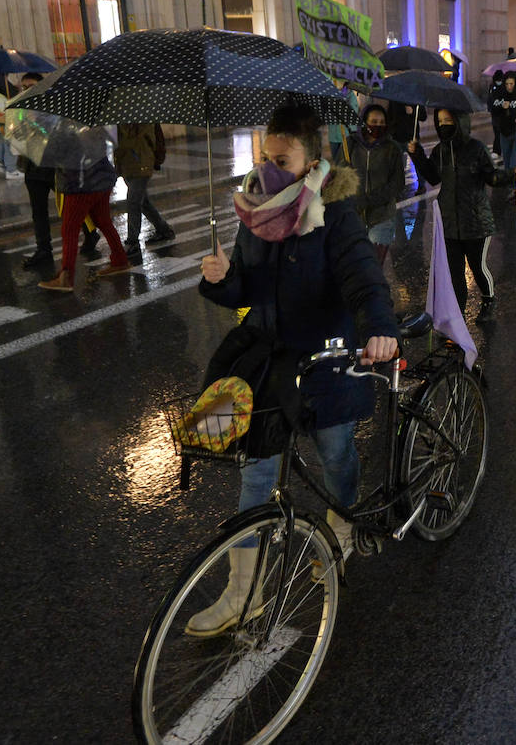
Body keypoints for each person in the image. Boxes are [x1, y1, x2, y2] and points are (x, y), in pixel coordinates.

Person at [189, 104, 398, 636]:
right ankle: (243, 593)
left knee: (335, 456)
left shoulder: (337, 215)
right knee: (255, 474)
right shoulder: (255, 212)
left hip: (326, 363)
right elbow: (246, 289)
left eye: (282, 158)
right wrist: (220, 279)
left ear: (311, 162)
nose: (269, 168)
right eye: (265, 156)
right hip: (268, 363)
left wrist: (379, 327)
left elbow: (363, 281)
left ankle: (340, 526)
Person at [406, 108, 513, 318]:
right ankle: (458, 317)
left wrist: (513, 174)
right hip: (449, 222)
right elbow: (434, 178)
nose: (444, 124)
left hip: (476, 222)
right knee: (455, 274)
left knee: (477, 267)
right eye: (440, 121)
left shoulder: (477, 148)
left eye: (449, 120)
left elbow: (492, 178)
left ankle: (489, 299)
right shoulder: (439, 151)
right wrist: (417, 155)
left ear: (459, 121)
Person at [38, 127, 131, 291]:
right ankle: (120, 260)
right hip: (102, 181)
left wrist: (46, 138)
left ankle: (65, 277)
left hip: (80, 184)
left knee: (69, 229)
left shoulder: (65, 129)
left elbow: (52, 156)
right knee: (103, 221)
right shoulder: (95, 125)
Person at [342, 103, 406, 267]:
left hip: (382, 217)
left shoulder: (392, 149)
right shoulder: (351, 144)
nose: (377, 125)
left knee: (373, 267)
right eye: (373, 121)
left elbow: (397, 184)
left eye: (381, 122)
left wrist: (369, 199)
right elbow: (339, 176)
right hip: (355, 217)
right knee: (357, 266)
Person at [13, 71, 58, 270]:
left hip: (52, 166)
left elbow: (56, 134)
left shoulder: (52, 107)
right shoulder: (21, 109)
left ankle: (90, 233)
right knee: (38, 212)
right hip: (32, 167)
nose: (26, 90)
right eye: (23, 87)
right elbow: (18, 137)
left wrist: (35, 121)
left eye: (30, 86)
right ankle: (43, 249)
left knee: (71, 206)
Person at [115, 123, 177, 258]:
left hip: (142, 164)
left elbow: (141, 141)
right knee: (143, 202)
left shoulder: (143, 118)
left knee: (133, 202)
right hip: (127, 165)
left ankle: (133, 242)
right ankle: (164, 230)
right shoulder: (120, 119)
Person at [492, 71, 516, 169]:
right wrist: (502, 107)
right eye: (507, 84)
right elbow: (493, 110)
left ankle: (513, 183)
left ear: (515, 83)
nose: (509, 87)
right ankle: (508, 181)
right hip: (504, 132)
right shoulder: (499, 94)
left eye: (511, 84)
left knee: (514, 163)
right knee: (507, 162)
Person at [486, 69, 507, 156]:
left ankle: (497, 150)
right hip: (495, 113)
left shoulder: (503, 87)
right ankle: (497, 150)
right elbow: (489, 99)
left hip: (500, 114)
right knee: (497, 132)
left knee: (499, 133)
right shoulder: (492, 87)